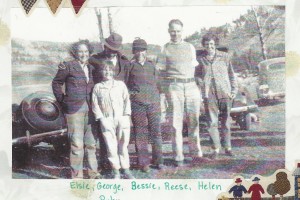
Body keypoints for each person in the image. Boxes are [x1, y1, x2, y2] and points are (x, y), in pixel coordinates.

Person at [157, 19, 203, 167]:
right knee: (176, 123)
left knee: (194, 121)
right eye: (173, 31)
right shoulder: (165, 48)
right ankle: (178, 156)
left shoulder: (190, 47)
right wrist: (166, 89)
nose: (175, 33)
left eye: (178, 31)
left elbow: (195, 68)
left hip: (190, 86)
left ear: (182, 31)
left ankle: (196, 153)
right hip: (174, 86)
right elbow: (160, 71)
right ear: (168, 31)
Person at [52, 40, 99, 179]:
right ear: (75, 53)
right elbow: (56, 83)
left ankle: (93, 173)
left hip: (91, 109)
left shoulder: (92, 68)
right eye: (80, 51)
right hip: (74, 109)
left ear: (89, 53)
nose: (83, 54)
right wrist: (62, 100)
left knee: (91, 144)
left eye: (86, 51)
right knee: (77, 144)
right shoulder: (68, 66)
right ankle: (77, 176)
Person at [89, 33, 130, 171]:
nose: (111, 51)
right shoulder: (94, 60)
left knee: (121, 138)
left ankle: (123, 166)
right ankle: (107, 165)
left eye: (114, 49)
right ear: (105, 46)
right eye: (109, 48)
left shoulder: (124, 62)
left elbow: (128, 82)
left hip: (119, 104)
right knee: (105, 136)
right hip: (102, 101)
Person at [195, 33, 238, 159]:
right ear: (204, 45)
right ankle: (216, 149)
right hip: (209, 94)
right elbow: (197, 75)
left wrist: (234, 90)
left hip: (224, 92)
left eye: (212, 44)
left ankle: (228, 147)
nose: (210, 46)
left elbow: (231, 74)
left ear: (216, 44)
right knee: (212, 122)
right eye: (207, 44)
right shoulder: (200, 59)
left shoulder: (225, 57)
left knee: (225, 122)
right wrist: (199, 80)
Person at [125, 38, 164, 172]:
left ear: (146, 51)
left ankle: (158, 161)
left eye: (142, 50)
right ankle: (144, 162)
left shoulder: (152, 65)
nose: (140, 52)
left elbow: (159, 84)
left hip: (153, 103)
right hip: (138, 104)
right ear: (133, 51)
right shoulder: (130, 66)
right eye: (137, 50)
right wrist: (132, 95)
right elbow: (125, 85)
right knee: (140, 133)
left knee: (156, 133)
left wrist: (161, 99)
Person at [92, 60, 134, 179]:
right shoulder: (98, 87)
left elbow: (127, 100)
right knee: (111, 145)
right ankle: (116, 170)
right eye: (105, 70)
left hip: (121, 117)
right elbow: (95, 105)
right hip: (107, 119)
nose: (107, 72)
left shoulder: (120, 85)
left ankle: (126, 169)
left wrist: (126, 115)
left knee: (123, 144)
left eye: (110, 70)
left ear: (113, 71)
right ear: (101, 72)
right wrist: (101, 119)